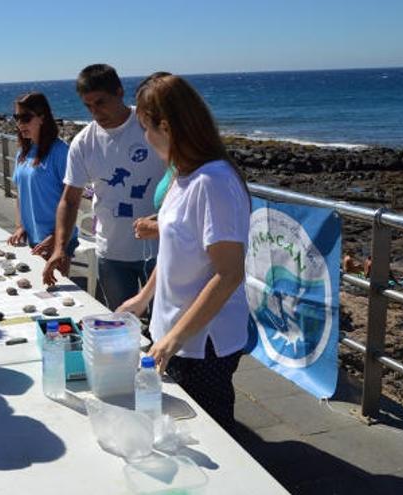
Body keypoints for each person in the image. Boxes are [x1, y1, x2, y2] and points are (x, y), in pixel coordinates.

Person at [132, 73, 251, 432]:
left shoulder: (213, 182)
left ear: (166, 127)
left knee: (213, 437)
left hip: (203, 345)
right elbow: (172, 249)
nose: (145, 137)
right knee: (175, 434)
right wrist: (143, 297)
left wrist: (173, 340)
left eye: (145, 127)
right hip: (175, 337)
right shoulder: (182, 176)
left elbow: (229, 273)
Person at [42, 64, 166, 309]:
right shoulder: (83, 142)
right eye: (88, 106)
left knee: (162, 328)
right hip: (112, 253)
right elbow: (69, 199)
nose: (96, 112)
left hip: (161, 250)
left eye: (101, 102)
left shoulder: (149, 125)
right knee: (120, 321)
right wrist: (60, 247)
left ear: (119, 92)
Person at [8, 92, 79, 262]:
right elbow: (20, 194)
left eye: (25, 118)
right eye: (16, 118)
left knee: (54, 288)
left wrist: (56, 238)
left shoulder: (60, 152)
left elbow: (71, 200)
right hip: (32, 239)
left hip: (57, 240)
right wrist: (20, 226)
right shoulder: (23, 154)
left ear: (42, 118)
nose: (20, 124)